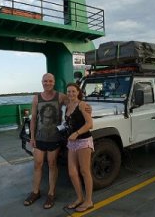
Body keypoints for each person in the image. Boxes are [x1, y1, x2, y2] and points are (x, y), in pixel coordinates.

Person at [23, 73, 68, 209]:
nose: (47, 83)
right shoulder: (36, 98)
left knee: (52, 164)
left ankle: (51, 193)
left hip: (54, 137)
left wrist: (85, 107)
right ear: (42, 82)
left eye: (50, 81)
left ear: (53, 82)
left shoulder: (60, 96)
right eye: (45, 81)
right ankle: (35, 192)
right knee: (38, 164)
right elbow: (34, 119)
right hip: (40, 137)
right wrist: (32, 137)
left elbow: (74, 103)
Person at [64, 83, 94, 213]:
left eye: (73, 91)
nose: (71, 94)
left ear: (78, 92)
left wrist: (76, 133)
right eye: (68, 91)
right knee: (72, 172)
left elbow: (90, 124)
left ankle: (89, 201)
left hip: (83, 141)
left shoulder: (82, 105)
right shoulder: (68, 106)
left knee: (84, 171)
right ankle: (80, 198)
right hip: (72, 142)